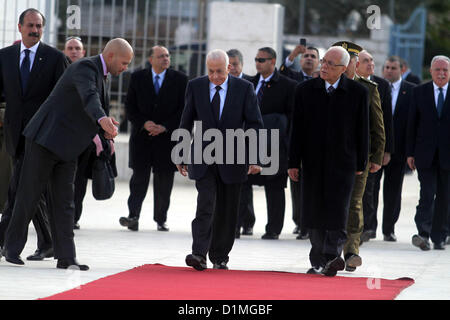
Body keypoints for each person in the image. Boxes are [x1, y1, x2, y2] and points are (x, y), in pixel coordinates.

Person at [1, 38, 133, 270]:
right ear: (111, 56)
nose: (126, 68)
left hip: (69, 147)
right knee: (28, 195)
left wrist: (105, 121)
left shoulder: (103, 75)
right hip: (44, 140)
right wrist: (102, 119)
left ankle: (66, 257)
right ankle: (11, 249)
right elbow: (89, 96)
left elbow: (91, 105)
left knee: (65, 202)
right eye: (125, 62)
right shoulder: (85, 67)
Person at [177, 49, 263, 271]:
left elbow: (255, 124)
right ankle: (198, 254)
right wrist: (181, 153)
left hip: (234, 158)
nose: (215, 76)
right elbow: (186, 121)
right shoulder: (195, 86)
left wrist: (255, 157)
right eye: (210, 71)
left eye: (219, 71)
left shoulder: (244, 89)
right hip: (203, 157)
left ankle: (220, 256)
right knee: (205, 204)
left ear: (229, 68)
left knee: (227, 209)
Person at [288, 46, 369, 277]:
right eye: (324, 61)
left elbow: (362, 131)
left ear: (343, 69)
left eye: (330, 64)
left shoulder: (357, 93)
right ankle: (317, 260)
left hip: (343, 163)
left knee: (337, 210)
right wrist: (293, 162)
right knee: (313, 210)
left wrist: (361, 164)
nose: (324, 66)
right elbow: (297, 130)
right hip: (312, 162)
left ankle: (332, 257)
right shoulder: (304, 90)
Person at [0, 8, 69, 261]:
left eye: (39, 26)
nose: (35, 30)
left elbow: (63, 99)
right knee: (30, 188)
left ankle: (6, 243)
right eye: (30, 25)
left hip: (41, 138)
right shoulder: (5, 57)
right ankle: (48, 241)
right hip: (14, 135)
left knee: (18, 189)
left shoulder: (54, 58)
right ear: (20, 27)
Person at [119, 46, 188, 232]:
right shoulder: (137, 77)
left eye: (167, 56)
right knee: (138, 180)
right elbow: (130, 107)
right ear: (151, 59)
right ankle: (133, 216)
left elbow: (184, 109)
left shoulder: (181, 80)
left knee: (164, 182)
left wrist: (165, 126)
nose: (165, 59)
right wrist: (144, 123)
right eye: (161, 56)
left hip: (167, 140)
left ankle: (161, 219)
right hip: (142, 138)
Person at [332, 41, 385, 273]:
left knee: (354, 204)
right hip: (331, 158)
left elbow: (378, 126)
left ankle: (351, 250)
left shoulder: (367, 89)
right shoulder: (326, 87)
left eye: (351, 61)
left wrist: (376, 156)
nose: (349, 65)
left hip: (358, 158)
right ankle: (332, 250)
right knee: (333, 203)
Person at [237, 47, 296, 240]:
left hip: (275, 146)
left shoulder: (288, 86)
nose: (258, 63)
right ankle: (239, 224)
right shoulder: (248, 83)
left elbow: (292, 117)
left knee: (275, 188)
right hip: (249, 143)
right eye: (256, 59)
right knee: (241, 184)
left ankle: (273, 229)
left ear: (273, 61)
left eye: (262, 60)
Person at [363, 56, 416, 242]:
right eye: (386, 67)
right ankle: (370, 228)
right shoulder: (376, 85)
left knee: (393, 192)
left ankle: (388, 229)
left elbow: (412, 124)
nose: (389, 71)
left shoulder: (411, 91)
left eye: (393, 68)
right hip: (376, 149)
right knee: (371, 190)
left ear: (401, 69)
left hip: (399, 150)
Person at [407, 55, 450, 251]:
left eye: (445, 70)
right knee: (427, 194)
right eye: (438, 70)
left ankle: (439, 236)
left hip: (447, 156)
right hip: (425, 154)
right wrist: (409, 153)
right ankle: (423, 233)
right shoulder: (419, 92)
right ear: (430, 71)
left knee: (444, 196)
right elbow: (411, 125)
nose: (441, 73)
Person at [281, 45, 320, 240]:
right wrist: (292, 55)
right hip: (296, 139)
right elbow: (280, 72)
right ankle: (300, 222)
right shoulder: (293, 79)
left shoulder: (323, 81)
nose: (309, 59)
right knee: (296, 186)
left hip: (317, 144)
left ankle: (310, 223)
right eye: (306, 56)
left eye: (313, 56)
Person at [357, 49, 395, 243]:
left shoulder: (381, 85)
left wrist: (385, 150)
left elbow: (386, 119)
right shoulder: (350, 84)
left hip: (372, 147)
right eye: (366, 61)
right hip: (354, 147)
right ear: (356, 65)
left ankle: (369, 227)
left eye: (372, 60)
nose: (371, 64)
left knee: (370, 190)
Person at [226, 49, 254, 237]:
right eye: (230, 65)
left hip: (245, 141)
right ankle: (232, 224)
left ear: (242, 65)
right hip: (223, 143)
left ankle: (247, 221)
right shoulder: (219, 82)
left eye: (235, 64)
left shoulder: (250, 84)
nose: (233, 68)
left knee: (244, 187)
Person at [63, 36, 89, 230]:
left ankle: (74, 216)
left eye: (77, 48)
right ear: (65, 51)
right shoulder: (59, 72)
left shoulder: (92, 73)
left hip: (85, 138)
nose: (73, 51)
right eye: (70, 48)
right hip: (63, 135)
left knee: (79, 180)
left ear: (83, 52)